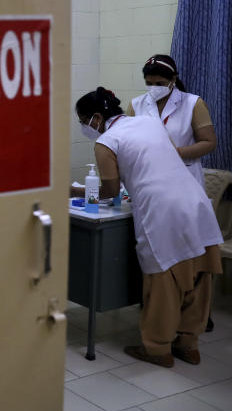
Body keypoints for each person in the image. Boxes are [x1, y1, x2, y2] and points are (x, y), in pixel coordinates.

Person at [76, 87, 223, 367]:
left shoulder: (106, 141)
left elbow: (108, 188)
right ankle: (189, 345)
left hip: (162, 210)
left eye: (84, 121)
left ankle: (158, 350)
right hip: (194, 200)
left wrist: (79, 192)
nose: (85, 127)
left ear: (96, 117)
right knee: (199, 273)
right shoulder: (149, 122)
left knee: (164, 284)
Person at [125, 54, 216, 186]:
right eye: (149, 83)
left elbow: (209, 142)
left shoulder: (193, 103)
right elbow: (128, 142)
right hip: (147, 177)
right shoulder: (136, 104)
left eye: (159, 84)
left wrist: (176, 153)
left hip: (184, 178)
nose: (154, 88)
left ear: (173, 79)